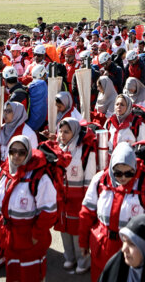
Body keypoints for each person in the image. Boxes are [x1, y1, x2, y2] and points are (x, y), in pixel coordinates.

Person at [79, 142, 145, 282]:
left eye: (129, 173)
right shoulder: (100, 181)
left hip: (132, 251)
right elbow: (86, 213)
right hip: (101, 249)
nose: (123, 177)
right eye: (118, 173)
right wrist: (83, 242)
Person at [0, 135, 57, 281]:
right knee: (13, 275)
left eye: (21, 152)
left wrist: (36, 235)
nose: (16, 155)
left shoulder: (39, 177)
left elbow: (49, 212)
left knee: (31, 276)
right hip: (9, 239)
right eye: (13, 151)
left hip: (30, 241)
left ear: (28, 153)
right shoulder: (2, 172)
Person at [55, 117, 96, 274]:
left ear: (75, 132)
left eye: (67, 131)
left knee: (78, 230)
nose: (63, 135)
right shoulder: (57, 148)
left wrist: (87, 201)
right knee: (64, 229)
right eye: (61, 131)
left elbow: (90, 177)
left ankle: (83, 261)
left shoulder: (85, 150)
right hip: (62, 198)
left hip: (79, 199)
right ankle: (69, 258)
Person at [0, 100, 38, 169]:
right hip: (1, 170)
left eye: (9, 111)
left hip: (18, 173)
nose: (5, 114)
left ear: (17, 113)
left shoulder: (28, 134)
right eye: (5, 111)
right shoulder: (1, 128)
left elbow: (33, 158)